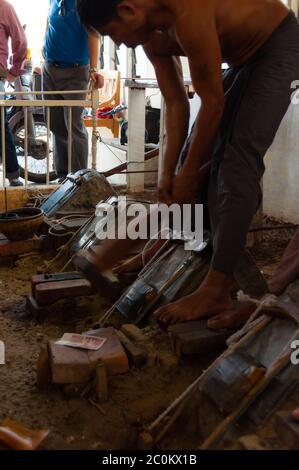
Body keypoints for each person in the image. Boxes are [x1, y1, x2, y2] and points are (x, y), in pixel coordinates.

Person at [75, 0, 299, 329]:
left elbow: (212, 103)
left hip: (278, 45)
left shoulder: (188, 14)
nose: (119, 43)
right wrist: (169, 173)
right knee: (186, 164)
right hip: (241, 60)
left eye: (113, 34)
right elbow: (176, 102)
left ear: (127, 10)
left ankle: (216, 288)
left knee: (235, 165)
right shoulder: (150, 35)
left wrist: (189, 173)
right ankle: (168, 242)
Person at [42, 0, 104, 181]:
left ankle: (79, 178)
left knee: (73, 124)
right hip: (50, 67)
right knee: (55, 123)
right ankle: (63, 175)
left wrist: (93, 69)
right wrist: (44, 47)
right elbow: (49, 20)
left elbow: (94, 34)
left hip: (76, 71)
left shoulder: (84, 3)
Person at [0, 0, 27, 186]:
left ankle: (12, 173)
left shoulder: (4, 7)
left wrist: (14, 70)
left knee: (0, 124)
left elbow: (21, 41)